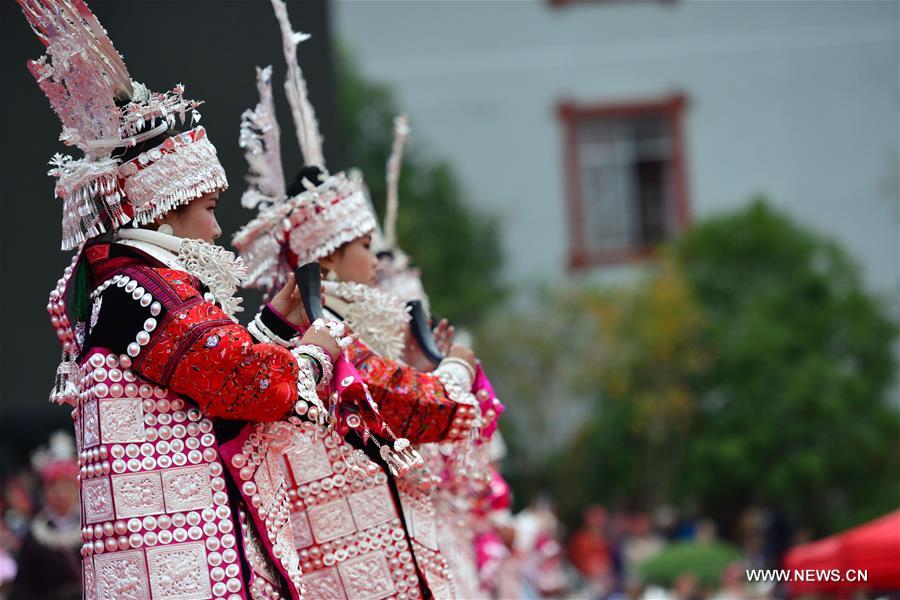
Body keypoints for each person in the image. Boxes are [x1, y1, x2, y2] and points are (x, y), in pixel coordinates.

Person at [20, 1, 342, 597]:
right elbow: (251, 384)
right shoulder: (144, 289)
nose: (217, 232)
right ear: (165, 206)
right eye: (209, 210)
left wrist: (275, 322)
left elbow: (213, 391)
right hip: (186, 573)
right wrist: (317, 352)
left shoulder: (127, 286)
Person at [233, 3, 490, 597]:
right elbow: (408, 403)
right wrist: (454, 372)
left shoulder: (341, 325)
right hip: (347, 554)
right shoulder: (326, 331)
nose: (376, 262)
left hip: (365, 540)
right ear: (325, 259)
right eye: (365, 247)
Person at [9, 433, 81, 600]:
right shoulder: (33, 535)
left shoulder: (95, 530)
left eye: (66, 486)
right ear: (44, 492)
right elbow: (22, 587)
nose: (61, 493)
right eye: (54, 487)